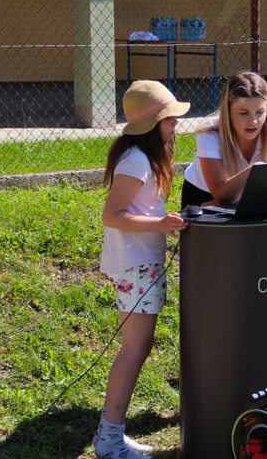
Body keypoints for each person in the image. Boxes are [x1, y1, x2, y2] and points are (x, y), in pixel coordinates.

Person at [93, 80, 190, 459]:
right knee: (134, 348)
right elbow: (112, 215)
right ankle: (109, 441)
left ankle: (111, 434)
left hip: (141, 263)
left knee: (138, 346)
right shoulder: (136, 159)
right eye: (169, 120)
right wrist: (160, 225)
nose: (175, 126)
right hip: (135, 264)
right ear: (152, 124)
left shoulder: (144, 156)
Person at [182, 71, 267, 207]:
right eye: (243, 113)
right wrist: (255, 171)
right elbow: (222, 195)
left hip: (250, 197)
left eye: (260, 112)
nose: (253, 121)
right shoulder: (209, 132)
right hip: (203, 195)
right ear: (228, 112)